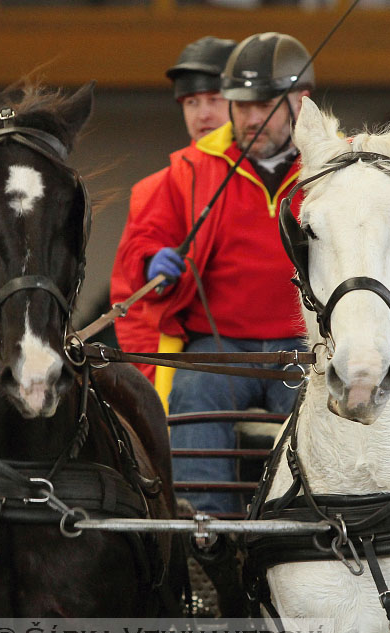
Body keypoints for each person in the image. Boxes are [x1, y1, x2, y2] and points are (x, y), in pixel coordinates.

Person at [113, 32, 314, 514]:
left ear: (299, 103)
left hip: (303, 346)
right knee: (196, 387)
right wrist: (150, 261)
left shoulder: (334, 164)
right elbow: (142, 243)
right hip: (220, 344)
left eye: (261, 106)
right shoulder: (190, 169)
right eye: (240, 105)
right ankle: (204, 530)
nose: (248, 118)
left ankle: (309, 521)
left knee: (323, 404)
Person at [110, 36, 236, 382]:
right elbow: (129, 302)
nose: (203, 114)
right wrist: (156, 380)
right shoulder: (155, 189)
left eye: (215, 99)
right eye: (191, 102)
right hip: (188, 359)